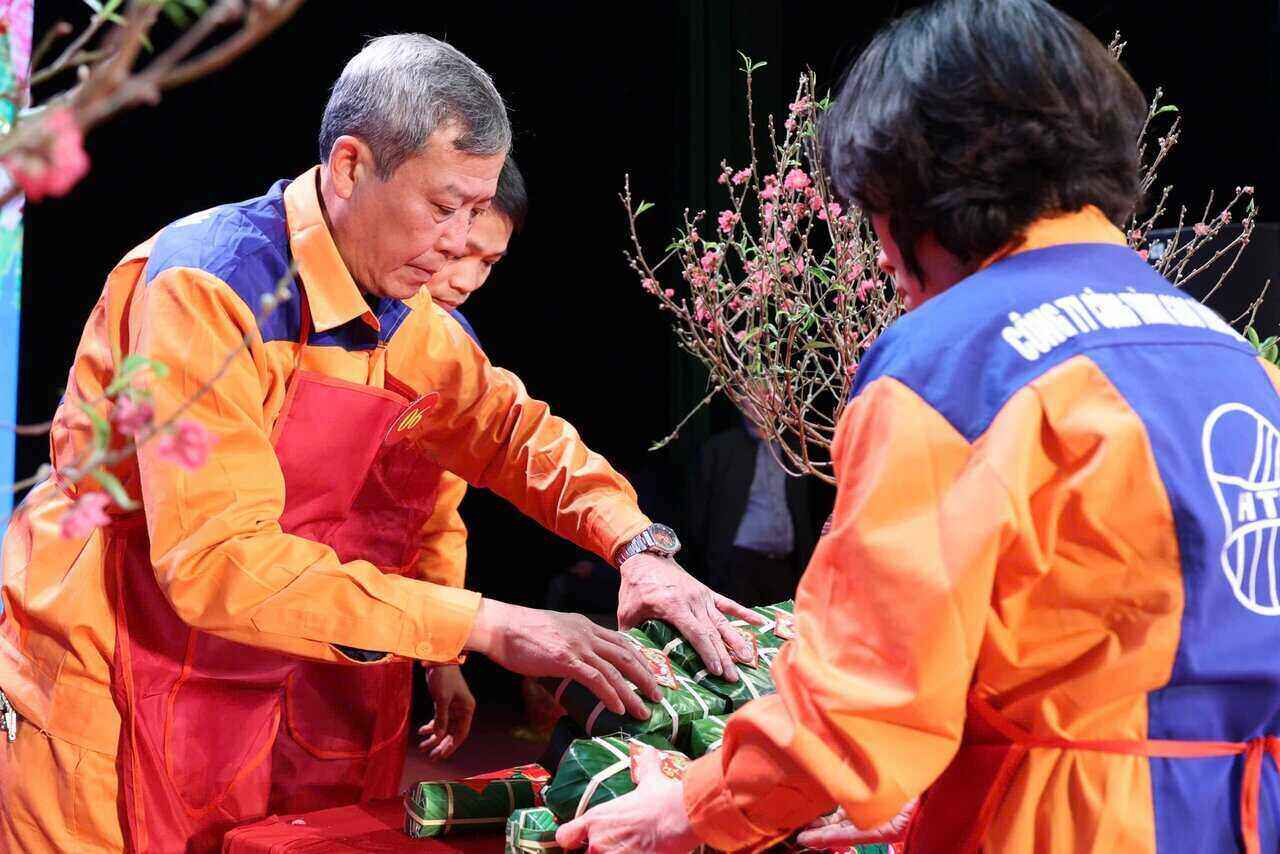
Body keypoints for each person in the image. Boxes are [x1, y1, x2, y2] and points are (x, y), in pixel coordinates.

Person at [0, 35, 759, 852]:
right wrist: (489, 626)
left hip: (289, 687)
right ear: (352, 166)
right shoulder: (207, 287)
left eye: (478, 215)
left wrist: (638, 545)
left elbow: (511, 433)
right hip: (118, 673)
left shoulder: (417, 319)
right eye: (445, 208)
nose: (458, 246)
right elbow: (216, 561)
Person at [556, 1, 1280, 852]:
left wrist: (688, 811)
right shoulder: (1232, 353)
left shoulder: (954, 362)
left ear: (910, 185)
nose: (884, 260)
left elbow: (861, 696)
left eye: (868, 208)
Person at [408, 155, 527, 761]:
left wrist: (442, 655)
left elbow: (437, 514)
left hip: (366, 640)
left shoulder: (457, 351)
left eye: (488, 262)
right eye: (458, 255)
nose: (468, 280)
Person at [687, 408, 821, 606]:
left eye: (770, 392)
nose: (764, 400)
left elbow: (804, 511)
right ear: (739, 400)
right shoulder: (721, 449)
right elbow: (698, 515)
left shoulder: (793, 450)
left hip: (785, 566)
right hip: (738, 566)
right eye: (756, 390)